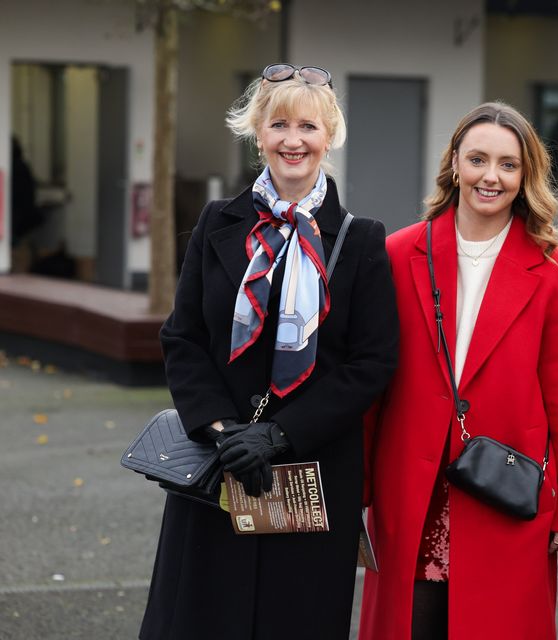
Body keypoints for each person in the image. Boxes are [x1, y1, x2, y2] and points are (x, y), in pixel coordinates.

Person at [140, 63, 399, 640]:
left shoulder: (360, 240)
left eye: (307, 126)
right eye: (278, 124)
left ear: (327, 136)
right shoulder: (216, 223)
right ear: (257, 132)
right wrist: (222, 431)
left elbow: (372, 363)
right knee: (205, 618)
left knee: (296, 620)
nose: (292, 140)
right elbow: (182, 336)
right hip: (219, 468)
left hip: (312, 471)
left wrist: (278, 435)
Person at [358, 102, 558, 640]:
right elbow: (371, 385)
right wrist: (360, 487)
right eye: (478, 160)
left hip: (505, 490)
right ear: (455, 166)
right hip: (410, 487)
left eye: (508, 165)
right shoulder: (397, 254)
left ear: (525, 176)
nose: (491, 176)